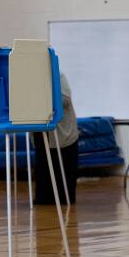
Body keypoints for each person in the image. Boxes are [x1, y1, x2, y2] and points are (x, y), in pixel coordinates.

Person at [33, 73, 79, 205]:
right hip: (41, 130)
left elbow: (65, 101)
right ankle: (44, 198)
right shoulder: (30, 78)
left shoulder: (58, 75)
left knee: (65, 173)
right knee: (43, 170)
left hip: (63, 134)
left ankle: (63, 200)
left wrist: (43, 98)